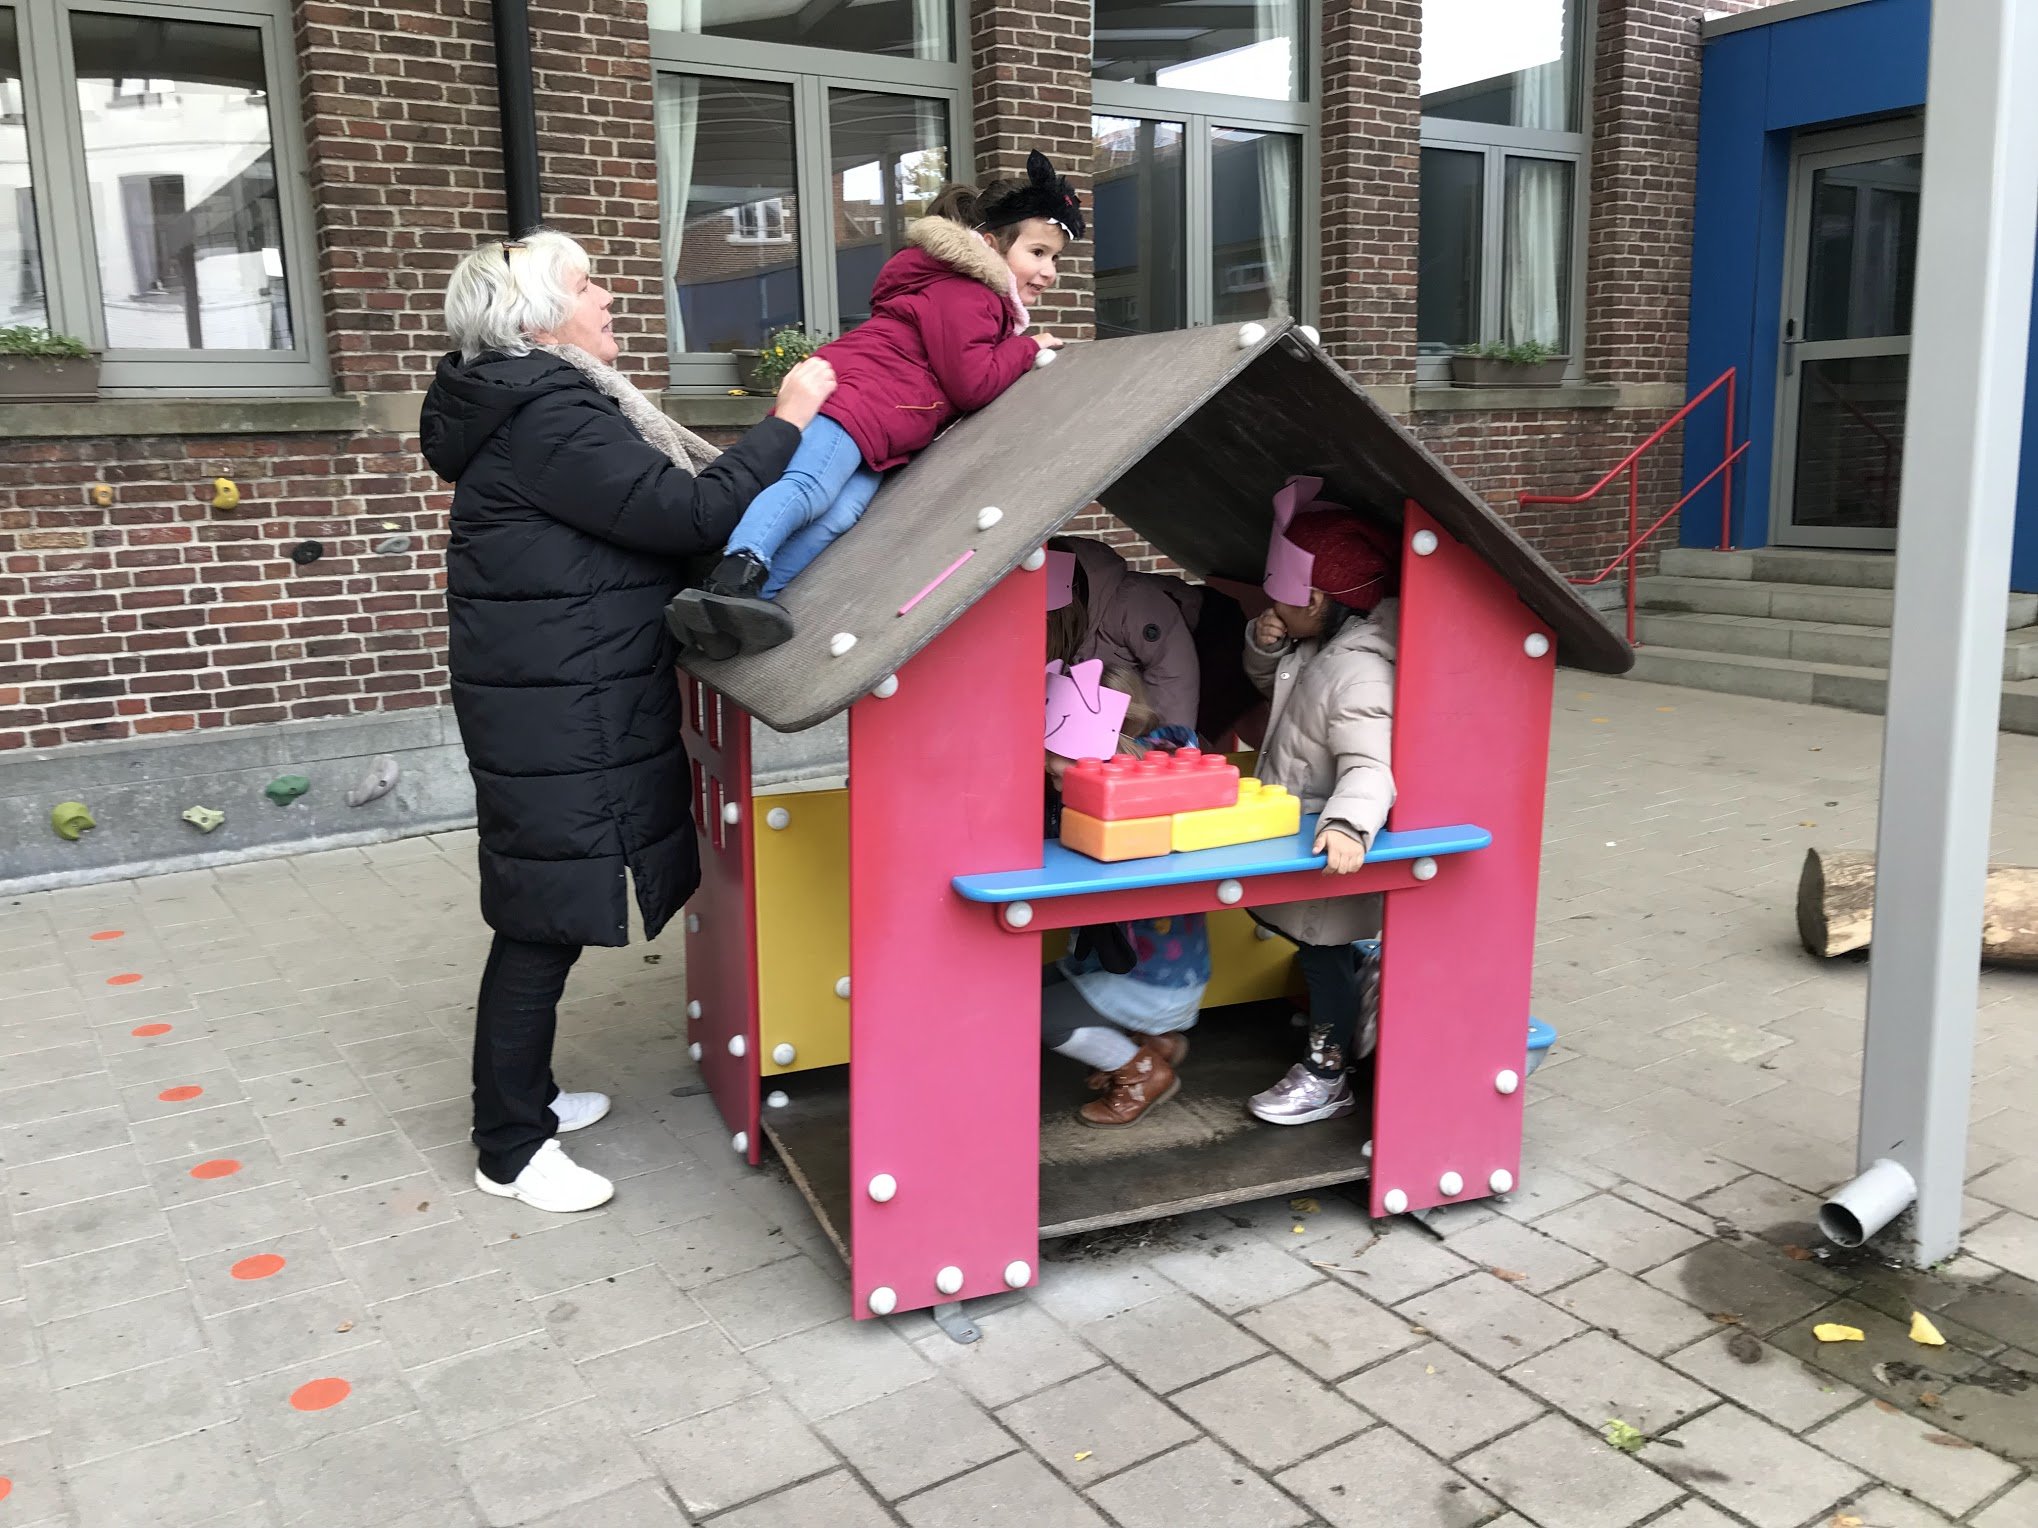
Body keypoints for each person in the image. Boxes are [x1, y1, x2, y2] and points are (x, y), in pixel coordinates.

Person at [420, 228, 837, 1213]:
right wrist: (788, 419)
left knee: (549, 904)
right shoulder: (549, 413)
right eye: (587, 284)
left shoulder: (529, 404)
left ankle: (527, 1099)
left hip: (563, 695)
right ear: (537, 319)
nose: (607, 297)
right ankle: (509, 1147)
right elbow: (690, 515)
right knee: (541, 918)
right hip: (561, 708)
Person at [667, 150, 1085, 659]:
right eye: (1038, 252)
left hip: (882, 431)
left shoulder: (984, 305)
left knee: (839, 515)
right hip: (852, 399)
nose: (1049, 271)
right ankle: (733, 574)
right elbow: (973, 384)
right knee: (811, 488)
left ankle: (751, 602)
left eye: (1055, 258)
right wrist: (1027, 347)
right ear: (992, 245)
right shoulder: (967, 293)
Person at [1239, 484, 1401, 1126]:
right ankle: (1349, 993)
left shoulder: (1359, 673)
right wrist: (1266, 645)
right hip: (1297, 829)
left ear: (1315, 600)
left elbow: (1371, 763)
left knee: (1322, 950)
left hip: (1324, 843)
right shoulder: (1318, 650)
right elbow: (1273, 689)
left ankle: (1326, 1073)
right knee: (1314, 949)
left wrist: (1348, 825)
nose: (1273, 606)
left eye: (1282, 597)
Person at [1041, 667, 1208, 1127]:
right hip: (1129, 966)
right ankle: (1154, 1043)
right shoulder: (1135, 780)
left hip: (1153, 979)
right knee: (1022, 989)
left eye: (1062, 769)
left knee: (1044, 1017)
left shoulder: (1130, 808)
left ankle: (1141, 1072)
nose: (1056, 781)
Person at [1046, 533, 1259, 746]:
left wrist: (1168, 745)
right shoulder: (1065, 625)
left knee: (1233, 718)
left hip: (1212, 632)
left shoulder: (1131, 601)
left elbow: (1173, 672)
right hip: (1155, 662)